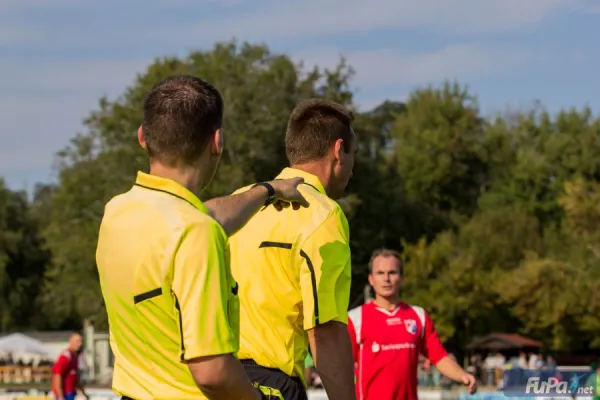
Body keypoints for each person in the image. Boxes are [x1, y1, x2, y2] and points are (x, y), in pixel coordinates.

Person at [96, 75, 310, 400]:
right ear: (217, 142)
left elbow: (208, 217)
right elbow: (212, 373)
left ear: (142, 137)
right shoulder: (196, 233)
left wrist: (267, 191)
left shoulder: (117, 213)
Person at [228, 98, 358, 400]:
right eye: (354, 155)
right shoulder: (323, 214)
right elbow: (325, 330)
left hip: (219, 381)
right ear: (338, 151)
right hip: (273, 385)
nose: (353, 168)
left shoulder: (238, 202)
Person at [348, 249, 477, 400]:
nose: (386, 279)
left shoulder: (418, 316)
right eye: (380, 273)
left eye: (392, 272)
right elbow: (342, 367)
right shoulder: (356, 318)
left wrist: (462, 375)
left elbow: (439, 356)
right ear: (371, 279)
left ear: (402, 278)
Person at [51, 333, 88, 400]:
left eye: (81, 341)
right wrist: (60, 396)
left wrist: (84, 393)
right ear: (71, 341)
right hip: (65, 393)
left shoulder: (74, 356)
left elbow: (75, 377)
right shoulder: (66, 356)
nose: (80, 344)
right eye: (77, 341)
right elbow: (57, 375)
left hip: (71, 392)